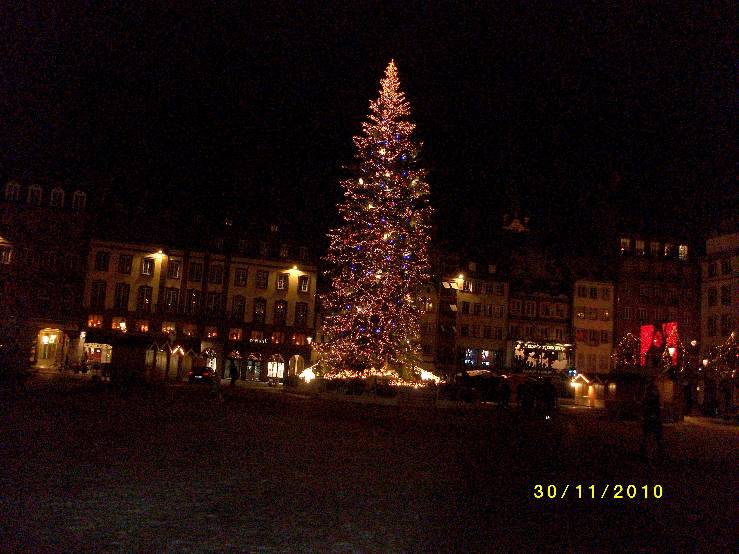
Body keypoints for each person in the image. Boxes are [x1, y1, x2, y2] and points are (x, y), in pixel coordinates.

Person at [640, 381, 664, 461]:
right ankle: (648, 452)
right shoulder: (650, 395)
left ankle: (655, 452)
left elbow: (656, 405)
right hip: (651, 417)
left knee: (653, 436)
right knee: (650, 436)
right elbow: (645, 405)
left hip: (653, 417)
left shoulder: (650, 395)